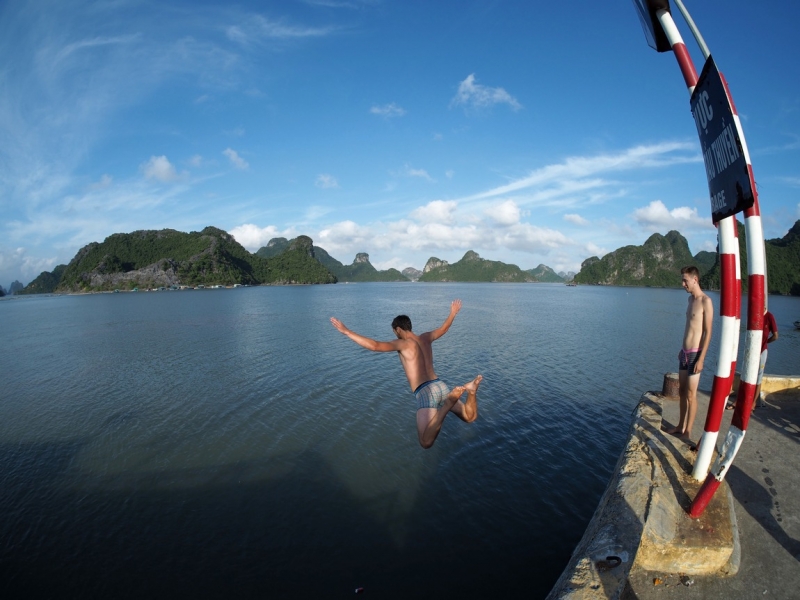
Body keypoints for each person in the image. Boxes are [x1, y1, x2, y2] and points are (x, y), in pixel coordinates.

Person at [330, 299, 481, 449]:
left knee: (425, 442)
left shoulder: (404, 344)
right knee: (470, 417)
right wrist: (453, 313)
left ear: (398, 329)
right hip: (440, 385)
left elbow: (375, 346)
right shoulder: (426, 338)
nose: (395, 334)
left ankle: (447, 404)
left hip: (425, 392)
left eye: (394, 331)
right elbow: (444, 328)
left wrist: (347, 332)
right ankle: (472, 391)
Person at [665, 266, 713, 445]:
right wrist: (681, 349)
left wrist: (701, 358)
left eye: (685, 280)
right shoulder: (689, 300)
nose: (682, 283)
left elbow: (708, 332)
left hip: (695, 354)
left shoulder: (705, 301)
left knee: (692, 394)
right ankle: (679, 426)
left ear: (695, 279)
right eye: (682, 280)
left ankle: (688, 431)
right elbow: (689, 328)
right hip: (684, 353)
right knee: (682, 391)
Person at [727, 305, 779, 411]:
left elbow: (775, 335)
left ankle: (753, 403)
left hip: (762, 351)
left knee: (758, 377)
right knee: (745, 374)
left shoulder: (769, 316)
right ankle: (739, 401)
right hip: (751, 350)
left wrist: (765, 342)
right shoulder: (754, 315)